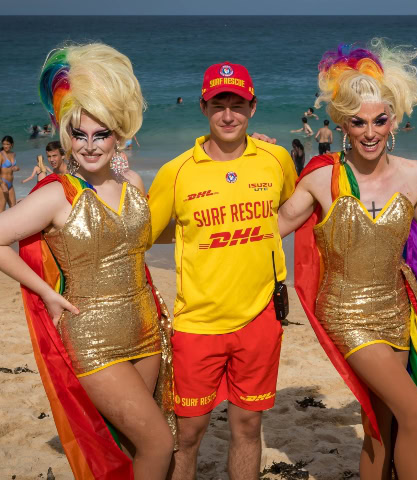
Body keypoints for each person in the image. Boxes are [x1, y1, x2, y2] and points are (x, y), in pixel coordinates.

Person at [0, 43, 175, 479]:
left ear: (117, 135)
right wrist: (46, 292)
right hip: (94, 338)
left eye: (100, 134)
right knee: (160, 443)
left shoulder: (134, 180)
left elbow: (136, 243)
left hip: (145, 328)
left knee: (129, 444)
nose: (89, 145)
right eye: (78, 135)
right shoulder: (56, 195)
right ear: (66, 137)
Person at [280, 40, 417, 480]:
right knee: (416, 413)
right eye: (358, 122)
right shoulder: (325, 177)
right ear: (342, 124)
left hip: (396, 311)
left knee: (381, 425)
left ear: (394, 119)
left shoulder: (413, 174)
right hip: (346, 313)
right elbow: (270, 228)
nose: (370, 132)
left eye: (379, 121)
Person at [147, 61, 296, 480]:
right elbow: (146, 234)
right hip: (198, 322)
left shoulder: (276, 158)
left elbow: (291, 208)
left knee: (248, 426)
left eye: (237, 104)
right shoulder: (175, 173)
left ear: (252, 107)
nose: (228, 115)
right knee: (189, 432)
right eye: (218, 105)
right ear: (203, 107)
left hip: (261, 318)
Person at [0, 136, 20, 213]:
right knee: (1, 209)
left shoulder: (13, 154)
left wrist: (17, 168)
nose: (5, 146)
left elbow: (17, 167)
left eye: (7, 144)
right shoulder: (0, 155)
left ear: (12, 144)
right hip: (2, 182)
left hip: (10, 184)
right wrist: (2, 183)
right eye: (4, 144)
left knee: (13, 208)